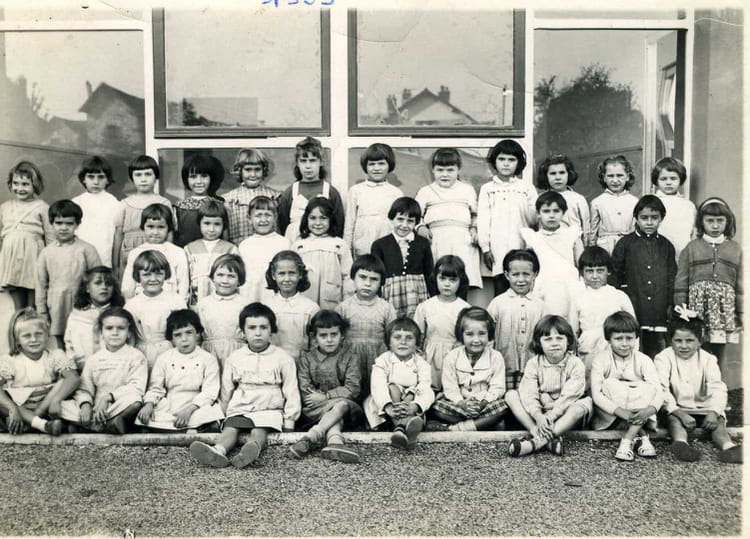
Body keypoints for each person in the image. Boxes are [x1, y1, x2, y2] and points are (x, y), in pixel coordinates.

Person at [189, 303, 300, 469]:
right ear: (243, 332)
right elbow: (227, 389)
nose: (258, 333)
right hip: (241, 405)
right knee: (230, 429)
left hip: (269, 407)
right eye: (252, 328)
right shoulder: (236, 357)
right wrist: (223, 414)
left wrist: (289, 422)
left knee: (259, 430)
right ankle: (218, 450)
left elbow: (291, 391)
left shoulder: (282, 358)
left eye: (263, 327)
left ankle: (249, 451)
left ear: (271, 330)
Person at [654, 308, 742, 464]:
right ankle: (681, 444)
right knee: (674, 422)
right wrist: (679, 413)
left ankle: (728, 447)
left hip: (705, 408)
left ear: (699, 342)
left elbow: (718, 388)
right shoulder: (663, 358)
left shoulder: (708, 359)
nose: (683, 346)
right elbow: (661, 389)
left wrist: (714, 412)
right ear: (671, 341)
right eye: (678, 341)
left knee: (718, 424)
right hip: (677, 408)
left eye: (689, 341)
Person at [505, 315, 591, 457]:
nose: (554, 343)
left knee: (583, 406)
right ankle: (537, 432)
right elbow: (528, 393)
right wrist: (538, 415)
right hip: (539, 414)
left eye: (559, 338)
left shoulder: (575, 364)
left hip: (564, 414)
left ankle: (537, 442)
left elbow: (570, 396)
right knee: (511, 395)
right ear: (539, 342)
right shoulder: (533, 363)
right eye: (548, 339)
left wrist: (551, 415)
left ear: (568, 341)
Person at [674, 197, 742, 367]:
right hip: (696, 309)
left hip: (723, 309)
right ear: (701, 222)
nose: (715, 226)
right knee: (697, 349)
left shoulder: (735, 249)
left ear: (728, 222)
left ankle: (716, 382)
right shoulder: (691, 248)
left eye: (720, 221)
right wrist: (681, 308)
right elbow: (681, 281)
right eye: (710, 221)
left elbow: (741, 285)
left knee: (718, 352)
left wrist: (741, 313)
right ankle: (697, 381)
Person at [290, 310, 364, 463]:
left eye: (334, 334)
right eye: (323, 335)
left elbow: (352, 388)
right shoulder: (307, 359)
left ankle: (311, 437)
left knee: (341, 405)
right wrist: (326, 399)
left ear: (341, 335)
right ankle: (335, 442)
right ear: (314, 337)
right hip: (315, 410)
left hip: (346, 409)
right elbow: (306, 390)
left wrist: (326, 396)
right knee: (337, 408)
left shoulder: (350, 357)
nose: (329, 340)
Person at [590, 311, 663, 461]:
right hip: (613, 414)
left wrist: (649, 410)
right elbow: (596, 394)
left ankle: (627, 440)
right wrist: (621, 412)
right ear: (609, 339)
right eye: (618, 338)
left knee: (647, 387)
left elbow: (658, 391)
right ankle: (642, 436)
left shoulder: (644, 360)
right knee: (610, 383)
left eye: (629, 338)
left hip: (641, 411)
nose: (624, 343)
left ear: (636, 338)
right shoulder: (601, 360)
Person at [61, 307, 147, 434]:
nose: (115, 333)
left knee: (135, 399)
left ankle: (101, 424)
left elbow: (136, 387)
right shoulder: (94, 359)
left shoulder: (136, 357)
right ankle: (98, 425)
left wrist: (108, 398)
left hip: (116, 407)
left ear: (129, 332)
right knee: (63, 405)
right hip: (95, 409)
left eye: (121, 328)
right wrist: (86, 405)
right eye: (109, 328)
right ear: (101, 332)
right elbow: (85, 388)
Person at [136, 310, 223, 431]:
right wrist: (149, 404)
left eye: (189, 333)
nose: (184, 339)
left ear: (198, 333)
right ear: (171, 338)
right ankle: (189, 430)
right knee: (146, 418)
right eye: (178, 335)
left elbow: (210, 391)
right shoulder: (164, 358)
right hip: (171, 404)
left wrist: (190, 409)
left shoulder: (208, 359)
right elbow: (156, 388)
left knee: (209, 415)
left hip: (196, 405)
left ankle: (192, 428)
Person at [612, 195, 676, 357]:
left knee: (656, 346)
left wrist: (670, 303)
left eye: (654, 218)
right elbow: (615, 274)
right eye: (644, 218)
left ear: (661, 218)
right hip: (634, 302)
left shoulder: (666, 246)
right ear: (636, 218)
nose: (649, 222)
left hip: (658, 306)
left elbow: (672, 277)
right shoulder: (625, 244)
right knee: (633, 344)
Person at [0, 308, 79, 435]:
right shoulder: (10, 361)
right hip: (21, 408)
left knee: (64, 380)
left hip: (47, 405)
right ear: (17, 339)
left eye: (38, 334)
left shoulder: (55, 356)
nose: (33, 339)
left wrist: (56, 400)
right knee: (3, 401)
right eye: (26, 336)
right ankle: (43, 425)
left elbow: (74, 378)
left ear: (47, 335)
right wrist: (12, 409)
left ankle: (32, 424)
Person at [430, 306, 508, 432]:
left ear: (489, 334)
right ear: (461, 335)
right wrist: (462, 403)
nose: (476, 340)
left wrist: (482, 403)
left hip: (484, 405)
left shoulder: (496, 357)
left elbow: (497, 387)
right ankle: (484, 424)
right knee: (435, 406)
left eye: (482, 334)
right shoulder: (452, 356)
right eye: (470, 334)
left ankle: (457, 428)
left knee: (502, 406)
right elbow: (450, 387)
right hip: (460, 405)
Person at [36, 200, 101, 348]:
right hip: (56, 305)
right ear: (51, 223)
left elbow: (98, 278)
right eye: (59, 223)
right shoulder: (46, 252)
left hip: (82, 305)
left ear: (77, 224)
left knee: (83, 340)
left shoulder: (87, 249)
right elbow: (41, 284)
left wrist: (97, 306)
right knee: (61, 343)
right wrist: (42, 312)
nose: (64, 228)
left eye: (69, 223)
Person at [415, 148, 482, 289]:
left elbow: (476, 214)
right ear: (433, 170)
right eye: (440, 170)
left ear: (458, 170)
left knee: (460, 280)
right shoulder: (425, 191)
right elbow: (415, 215)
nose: (445, 174)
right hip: (436, 240)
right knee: (438, 279)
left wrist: (474, 228)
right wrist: (420, 227)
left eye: (450, 170)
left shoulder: (467, 190)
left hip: (462, 239)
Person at [477, 139, 537, 295]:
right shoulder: (488, 189)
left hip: (522, 245)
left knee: (523, 284)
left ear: (519, 163)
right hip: (497, 248)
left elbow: (534, 218)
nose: (506, 164)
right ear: (494, 161)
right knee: (502, 287)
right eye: (501, 159)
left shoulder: (526, 188)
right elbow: (483, 220)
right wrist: (485, 248)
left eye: (511, 160)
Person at [364, 317, 434, 450]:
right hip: (388, 407)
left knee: (418, 392)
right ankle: (403, 427)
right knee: (392, 387)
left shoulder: (421, 364)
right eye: (397, 337)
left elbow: (424, 387)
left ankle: (400, 429)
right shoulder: (383, 360)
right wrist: (388, 406)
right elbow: (378, 385)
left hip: (409, 405)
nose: (403, 342)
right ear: (389, 342)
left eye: (409, 338)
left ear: (417, 344)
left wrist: (414, 406)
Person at [335, 254, 397, 397]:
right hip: (350, 361)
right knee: (352, 393)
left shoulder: (386, 308)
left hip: (377, 360)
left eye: (374, 279)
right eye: (362, 277)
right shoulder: (343, 308)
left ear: (381, 282)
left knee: (376, 393)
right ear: (353, 277)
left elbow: (392, 338)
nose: (367, 283)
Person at [569, 246, 635, 377]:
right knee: (591, 380)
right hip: (589, 349)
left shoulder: (619, 296)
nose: (594, 276)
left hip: (615, 348)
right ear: (582, 273)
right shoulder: (578, 299)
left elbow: (633, 328)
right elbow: (573, 331)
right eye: (589, 271)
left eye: (600, 271)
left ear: (608, 271)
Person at [486, 249, 544, 390]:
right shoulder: (498, 303)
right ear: (507, 275)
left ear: (535, 274)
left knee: (528, 395)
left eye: (526, 274)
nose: (521, 280)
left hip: (532, 367)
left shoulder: (541, 305)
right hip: (503, 366)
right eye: (515, 274)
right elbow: (487, 334)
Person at [0, 161, 54, 311]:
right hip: (11, 258)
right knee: (17, 305)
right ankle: (18, 321)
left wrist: (50, 263)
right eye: (15, 183)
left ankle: (32, 318)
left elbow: (51, 238)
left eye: (25, 184)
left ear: (35, 185)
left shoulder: (43, 208)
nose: (19, 188)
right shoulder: (5, 207)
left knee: (34, 303)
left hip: (33, 256)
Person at [520, 190, 583, 317]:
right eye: (546, 211)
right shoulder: (532, 237)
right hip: (544, 284)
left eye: (556, 211)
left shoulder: (572, 234)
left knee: (570, 318)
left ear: (563, 213)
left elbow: (581, 262)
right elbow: (529, 267)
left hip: (569, 284)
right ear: (538, 214)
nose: (552, 215)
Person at [413, 255, 470, 391]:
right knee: (428, 389)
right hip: (430, 355)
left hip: (455, 354)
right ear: (435, 278)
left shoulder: (465, 308)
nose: (447, 284)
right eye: (442, 278)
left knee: (452, 389)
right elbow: (417, 335)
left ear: (460, 281)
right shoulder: (425, 307)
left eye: (453, 280)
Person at [371, 197, 434, 318]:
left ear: (416, 223)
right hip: (391, 294)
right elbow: (377, 275)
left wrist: (433, 298)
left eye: (410, 221)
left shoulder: (423, 243)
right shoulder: (379, 245)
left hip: (417, 294)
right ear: (391, 218)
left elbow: (429, 273)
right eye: (400, 219)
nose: (404, 225)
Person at [123, 250, 187, 370]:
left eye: (159, 274)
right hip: (141, 353)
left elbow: (183, 331)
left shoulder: (176, 300)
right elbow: (129, 338)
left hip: (170, 351)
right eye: (146, 274)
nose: (153, 279)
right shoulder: (132, 305)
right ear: (138, 276)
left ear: (166, 274)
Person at [112, 155, 172, 280]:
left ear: (156, 177)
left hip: (157, 250)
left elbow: (170, 233)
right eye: (138, 175)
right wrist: (116, 266)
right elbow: (118, 234)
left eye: (148, 174)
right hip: (129, 251)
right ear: (132, 178)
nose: (143, 179)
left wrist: (169, 259)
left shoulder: (164, 203)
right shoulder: (125, 203)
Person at [277, 136, 344, 243]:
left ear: (321, 162)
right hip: (295, 244)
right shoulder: (290, 192)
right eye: (303, 161)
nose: (308, 166)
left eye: (312, 161)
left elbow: (338, 225)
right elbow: (283, 223)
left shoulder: (330, 192)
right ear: (297, 163)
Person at [344, 143, 403, 259]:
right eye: (371, 164)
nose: (376, 168)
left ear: (389, 165)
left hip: (388, 247)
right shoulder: (356, 191)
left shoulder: (396, 193)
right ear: (365, 166)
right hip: (362, 247)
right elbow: (349, 224)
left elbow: (399, 223)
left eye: (381, 163)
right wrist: (346, 252)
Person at [121, 204, 189, 302]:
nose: (155, 232)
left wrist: (180, 305)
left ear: (169, 228)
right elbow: (128, 287)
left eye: (161, 227)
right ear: (143, 227)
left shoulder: (177, 252)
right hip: (142, 304)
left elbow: (183, 285)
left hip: (169, 304)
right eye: (150, 227)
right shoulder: (135, 253)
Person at [292, 198, 353, 309]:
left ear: (331, 220)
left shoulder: (339, 245)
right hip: (304, 303)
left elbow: (348, 276)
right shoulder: (299, 246)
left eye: (323, 218)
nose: (318, 223)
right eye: (313, 218)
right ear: (306, 219)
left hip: (333, 303)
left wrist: (347, 302)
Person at [263, 250, 320, 362]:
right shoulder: (266, 306)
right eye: (281, 273)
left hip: (302, 364)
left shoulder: (310, 308)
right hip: (272, 364)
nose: (287, 279)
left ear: (300, 275)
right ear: (273, 275)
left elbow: (315, 344)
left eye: (292, 273)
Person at [64, 266, 125, 370]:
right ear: (87, 288)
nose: (104, 287)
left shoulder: (120, 314)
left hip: (113, 367)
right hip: (82, 368)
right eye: (98, 283)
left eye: (108, 283)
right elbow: (69, 343)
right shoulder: (77, 315)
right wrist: (76, 365)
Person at [195, 254, 248, 372]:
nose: (225, 281)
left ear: (239, 280)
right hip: (209, 354)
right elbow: (197, 336)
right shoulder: (203, 305)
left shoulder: (245, 305)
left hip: (238, 354)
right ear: (212, 277)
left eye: (231, 276)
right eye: (220, 275)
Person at [183, 199, 238, 307]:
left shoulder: (230, 249)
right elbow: (185, 279)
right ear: (199, 223)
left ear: (224, 225)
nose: (211, 229)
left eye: (217, 224)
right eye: (207, 223)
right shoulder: (190, 248)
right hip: (197, 298)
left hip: (223, 298)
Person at [238, 196, 290, 303]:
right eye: (258, 215)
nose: (263, 220)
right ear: (249, 219)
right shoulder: (244, 245)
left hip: (276, 297)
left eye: (268, 215)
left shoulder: (284, 243)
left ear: (275, 217)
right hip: (251, 297)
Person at [223, 148, 281, 245]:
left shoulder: (275, 197)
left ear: (263, 170)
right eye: (248, 170)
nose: (253, 174)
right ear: (240, 171)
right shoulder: (229, 200)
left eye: (257, 169)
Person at [72, 155, 120, 267]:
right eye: (91, 177)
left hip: (104, 259)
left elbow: (116, 236)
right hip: (79, 259)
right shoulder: (76, 202)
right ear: (84, 179)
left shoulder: (114, 204)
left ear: (107, 180)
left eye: (101, 177)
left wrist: (115, 265)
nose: (96, 182)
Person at [535, 153, 590, 245]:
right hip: (548, 244)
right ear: (545, 176)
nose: (558, 177)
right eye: (553, 173)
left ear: (569, 174)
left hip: (573, 244)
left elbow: (586, 227)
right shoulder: (540, 198)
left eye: (562, 173)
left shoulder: (578, 199)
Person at [173, 154, 225, 248]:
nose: (199, 181)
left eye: (204, 176)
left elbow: (225, 238)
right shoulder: (179, 207)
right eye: (193, 177)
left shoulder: (219, 205)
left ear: (211, 178)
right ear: (186, 179)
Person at [589, 155, 638, 254]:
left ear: (627, 177)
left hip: (628, 246)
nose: (615, 180)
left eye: (620, 175)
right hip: (605, 247)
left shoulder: (635, 201)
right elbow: (593, 230)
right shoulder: (597, 202)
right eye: (610, 176)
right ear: (604, 178)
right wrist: (592, 250)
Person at [651, 157, 696, 261]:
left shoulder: (688, 205)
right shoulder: (651, 202)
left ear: (681, 179)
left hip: (682, 255)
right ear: (656, 180)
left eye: (673, 178)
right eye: (663, 179)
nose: (668, 182)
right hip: (656, 255)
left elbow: (694, 232)